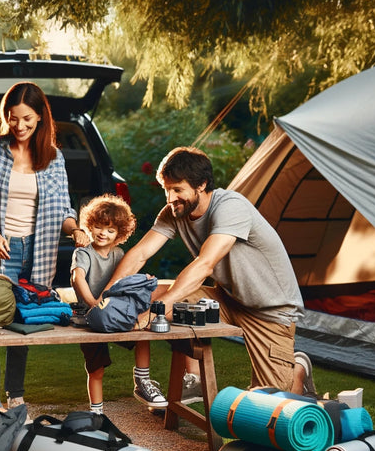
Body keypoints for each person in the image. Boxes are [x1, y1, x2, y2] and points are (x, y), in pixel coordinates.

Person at [105, 146, 316, 397]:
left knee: (270, 404)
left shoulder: (231, 207)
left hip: (270, 312)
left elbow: (205, 264)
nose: (170, 198)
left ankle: (298, 368)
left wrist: (156, 311)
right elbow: (140, 253)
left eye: (177, 189)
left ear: (201, 185)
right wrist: (106, 296)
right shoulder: (175, 212)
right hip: (227, 299)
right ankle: (190, 379)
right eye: (166, 189)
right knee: (144, 296)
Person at [0, 81, 90, 431]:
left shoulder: (53, 158)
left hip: (39, 250)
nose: (20, 126)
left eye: (26, 119)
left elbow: (63, 208)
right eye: (13, 119)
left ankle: (16, 393)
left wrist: (75, 230)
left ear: (40, 117)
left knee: (23, 322)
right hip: (2, 246)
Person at [70, 194, 138, 415]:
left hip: (115, 313)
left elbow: (126, 279)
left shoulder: (119, 254)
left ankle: (143, 378)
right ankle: (97, 412)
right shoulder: (83, 252)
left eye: (110, 230)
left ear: (120, 234)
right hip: (90, 315)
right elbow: (77, 278)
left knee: (145, 335)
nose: (103, 233)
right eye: (99, 227)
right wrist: (93, 304)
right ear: (90, 226)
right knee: (96, 368)